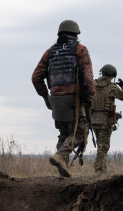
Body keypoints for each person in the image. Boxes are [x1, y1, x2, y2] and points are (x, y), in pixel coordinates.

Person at [31, 20, 95, 178]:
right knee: (78, 134)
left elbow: (36, 77)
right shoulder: (80, 49)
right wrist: (91, 94)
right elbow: (87, 75)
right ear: (75, 34)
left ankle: (63, 170)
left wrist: (46, 97)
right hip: (75, 99)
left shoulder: (50, 52)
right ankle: (60, 156)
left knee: (64, 133)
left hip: (56, 99)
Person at [89, 64, 123, 173]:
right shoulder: (112, 87)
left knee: (100, 145)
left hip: (93, 120)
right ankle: (98, 171)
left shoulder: (92, 85)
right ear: (112, 75)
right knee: (103, 148)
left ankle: (103, 172)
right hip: (105, 122)